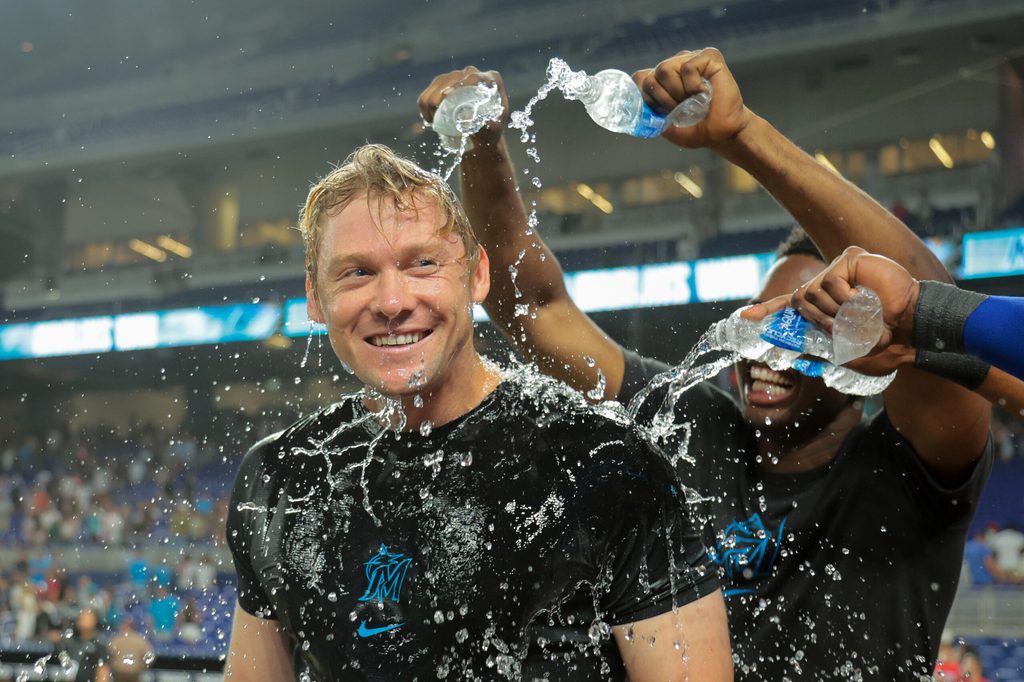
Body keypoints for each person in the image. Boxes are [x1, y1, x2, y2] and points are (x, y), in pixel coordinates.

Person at [419, 48, 993, 679]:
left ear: (872, 351)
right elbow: (535, 308)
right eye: (769, 316)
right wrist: (481, 146)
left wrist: (742, 136)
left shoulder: (913, 471)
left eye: (813, 323)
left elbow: (934, 318)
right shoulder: (692, 425)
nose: (773, 345)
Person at [223, 144, 732, 681]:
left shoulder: (603, 461)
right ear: (315, 298)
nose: (391, 301)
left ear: (478, 276)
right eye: (356, 273)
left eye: (422, 264)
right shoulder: (281, 476)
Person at [742, 245, 1024, 416]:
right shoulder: (711, 425)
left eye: (808, 328)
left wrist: (914, 310)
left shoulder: (896, 467)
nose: (772, 347)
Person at [64, 608, 110, 682]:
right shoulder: (72, 641)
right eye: (81, 618)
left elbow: (103, 671)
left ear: (94, 621)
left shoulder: (99, 644)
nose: (82, 621)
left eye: (86, 619)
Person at [106, 618, 154, 682]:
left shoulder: (116, 639)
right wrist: (143, 666)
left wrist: (112, 665)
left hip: (119, 672)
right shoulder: (141, 640)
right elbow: (150, 655)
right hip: (134, 672)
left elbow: (107, 654)